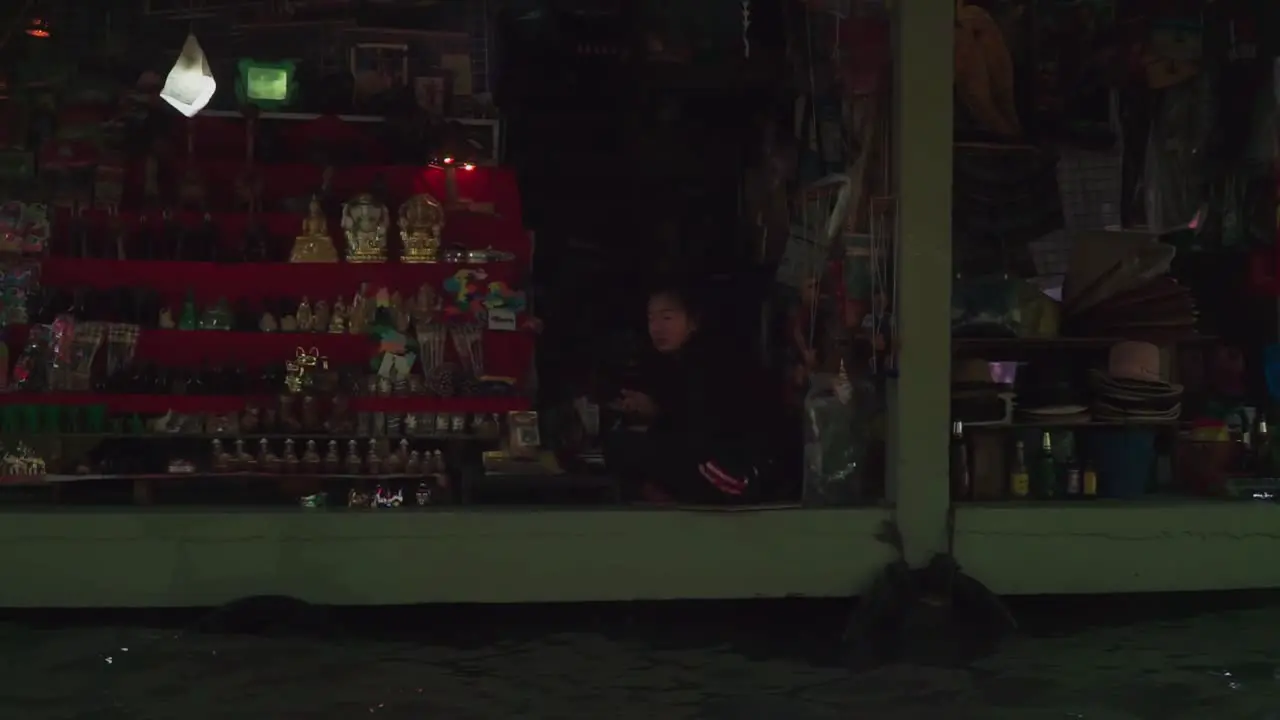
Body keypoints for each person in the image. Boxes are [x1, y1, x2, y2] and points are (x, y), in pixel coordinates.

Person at [610, 283, 780, 504]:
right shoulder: (677, 364)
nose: (657, 328)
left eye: (667, 318)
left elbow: (700, 436)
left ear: (693, 322)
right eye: (651, 319)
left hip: (738, 474)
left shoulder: (711, 361)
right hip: (710, 461)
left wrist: (657, 415)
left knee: (624, 446)